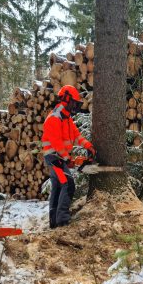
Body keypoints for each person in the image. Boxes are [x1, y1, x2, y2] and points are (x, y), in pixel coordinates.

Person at [41, 85, 95, 228]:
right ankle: (63, 219)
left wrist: (88, 146)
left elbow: (76, 136)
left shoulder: (67, 118)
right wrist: (67, 158)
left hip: (59, 157)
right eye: (74, 103)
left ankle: (54, 221)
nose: (75, 106)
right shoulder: (55, 117)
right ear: (66, 100)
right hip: (54, 157)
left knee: (58, 186)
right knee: (68, 184)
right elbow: (57, 143)